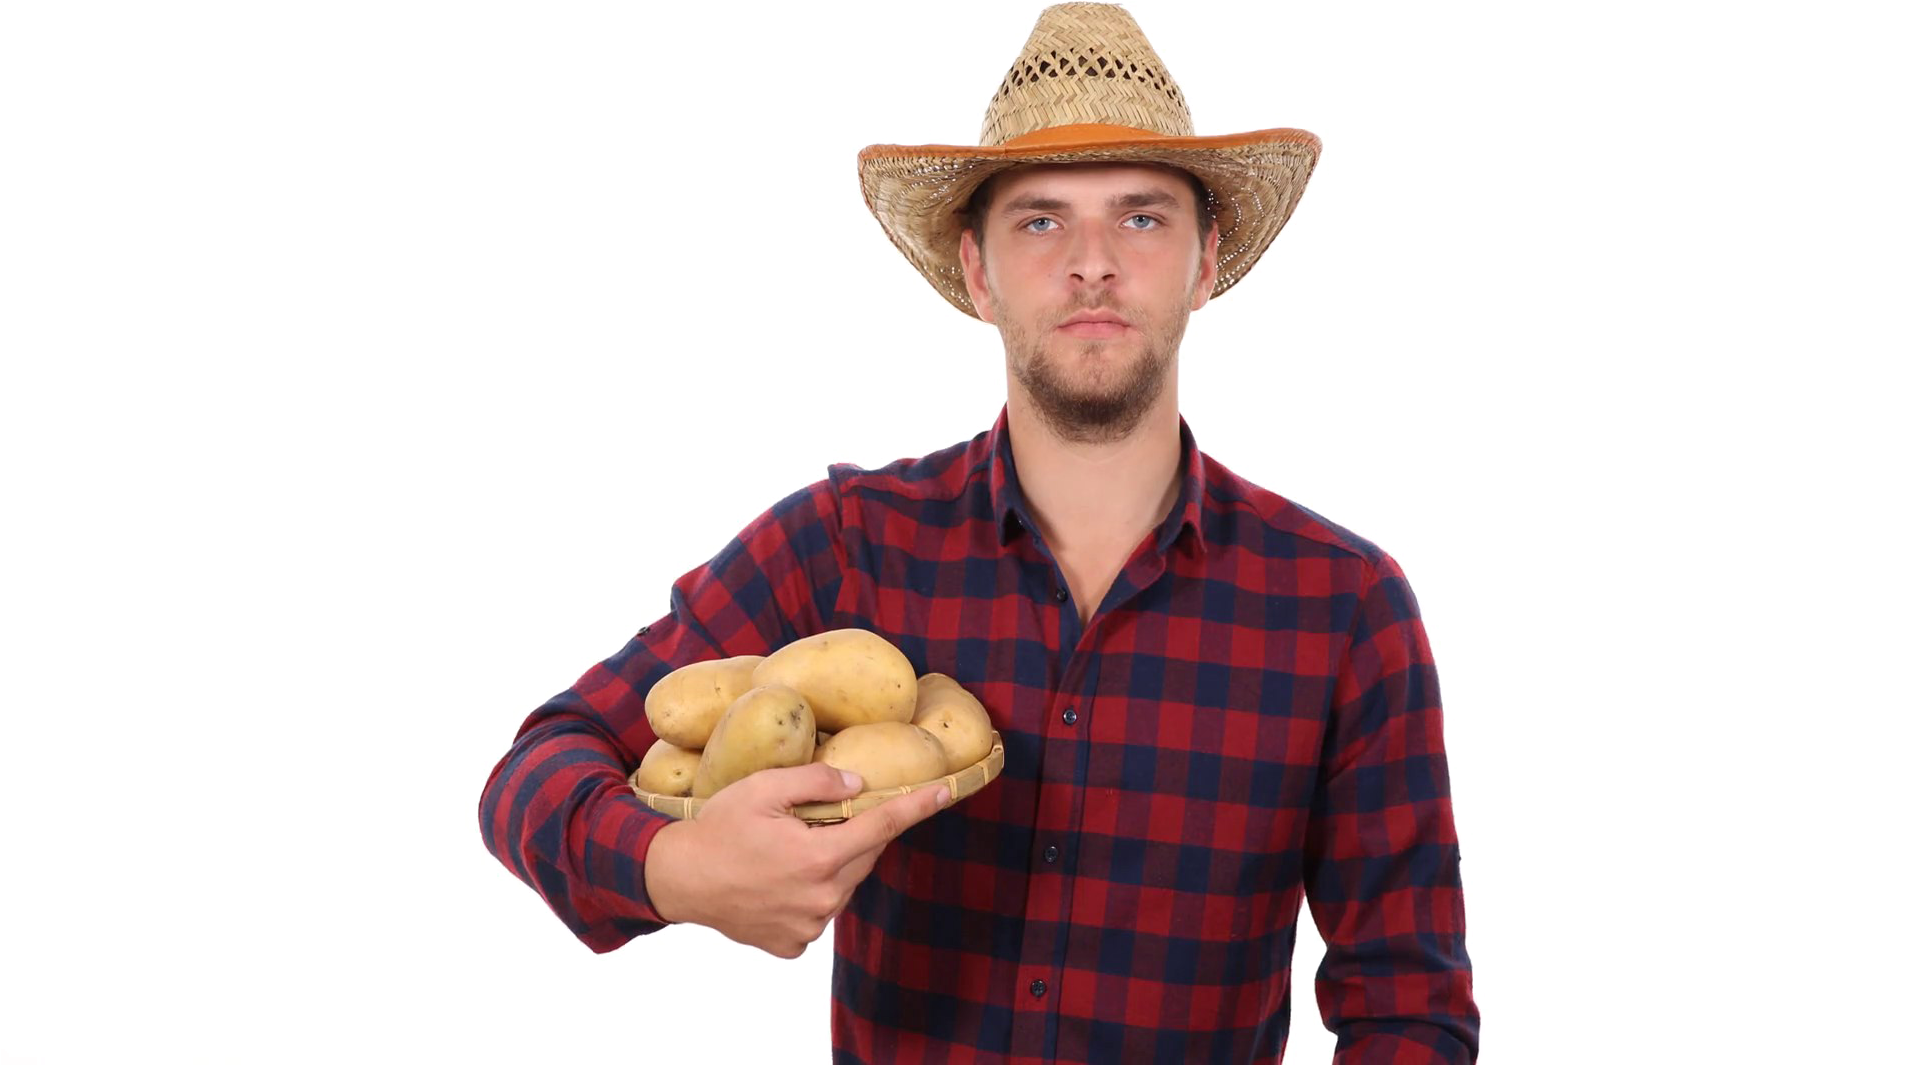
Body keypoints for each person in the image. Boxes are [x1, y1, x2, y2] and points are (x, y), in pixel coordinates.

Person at [478, 3, 1477, 1062]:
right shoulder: (845, 544)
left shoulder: (1343, 604)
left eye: (1140, 217)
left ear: (1204, 261)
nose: (1091, 263)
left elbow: (1405, 1006)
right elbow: (540, 768)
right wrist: (672, 871)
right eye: (1040, 220)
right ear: (979, 270)